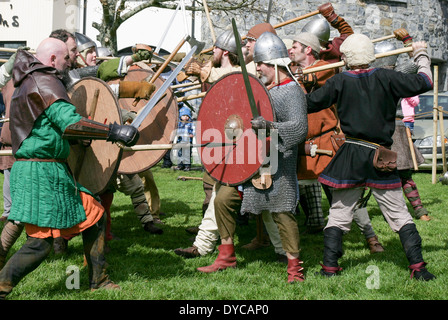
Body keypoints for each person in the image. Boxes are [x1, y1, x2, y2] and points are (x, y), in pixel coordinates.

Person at [0, 38, 140, 299]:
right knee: (40, 244)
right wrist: (113, 131)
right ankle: (2, 286)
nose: (71, 62)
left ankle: (98, 279)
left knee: (94, 214)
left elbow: (45, 127)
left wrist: (79, 137)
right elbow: (68, 123)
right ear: (53, 59)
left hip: (49, 170)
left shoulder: (29, 80)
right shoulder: (44, 81)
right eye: (67, 58)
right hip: (40, 174)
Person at [306, 33, 435, 281]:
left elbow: (309, 103)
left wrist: (298, 84)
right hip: (380, 156)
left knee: (339, 214)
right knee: (399, 214)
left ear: (346, 58)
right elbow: (425, 80)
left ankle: (330, 268)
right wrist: (420, 53)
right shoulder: (387, 78)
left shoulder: (339, 81)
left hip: (351, 155)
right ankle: (418, 268)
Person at [197, 32, 308, 283]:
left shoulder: (291, 92)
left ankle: (294, 269)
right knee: (223, 199)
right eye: (256, 63)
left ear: (277, 63)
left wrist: (269, 126)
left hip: (275, 163)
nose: (257, 68)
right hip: (246, 160)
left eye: (262, 64)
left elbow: (300, 128)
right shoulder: (258, 88)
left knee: (281, 211)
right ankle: (226, 257)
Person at [175, 26, 287, 263]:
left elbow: (239, 75)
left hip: (260, 143)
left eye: (251, 41)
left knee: (265, 199)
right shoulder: (254, 64)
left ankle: (283, 250)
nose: (246, 46)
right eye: (245, 43)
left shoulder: (262, 67)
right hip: (237, 141)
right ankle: (202, 245)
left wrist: (206, 71)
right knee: (220, 193)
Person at [176, 106, 195, 171]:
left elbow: (193, 129)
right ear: (181, 116)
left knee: (187, 153)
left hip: (187, 141)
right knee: (180, 153)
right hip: (180, 141)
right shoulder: (179, 123)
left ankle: (187, 166)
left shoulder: (190, 123)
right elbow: (176, 129)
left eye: (187, 116)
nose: (185, 117)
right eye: (184, 115)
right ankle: (180, 165)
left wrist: (192, 134)